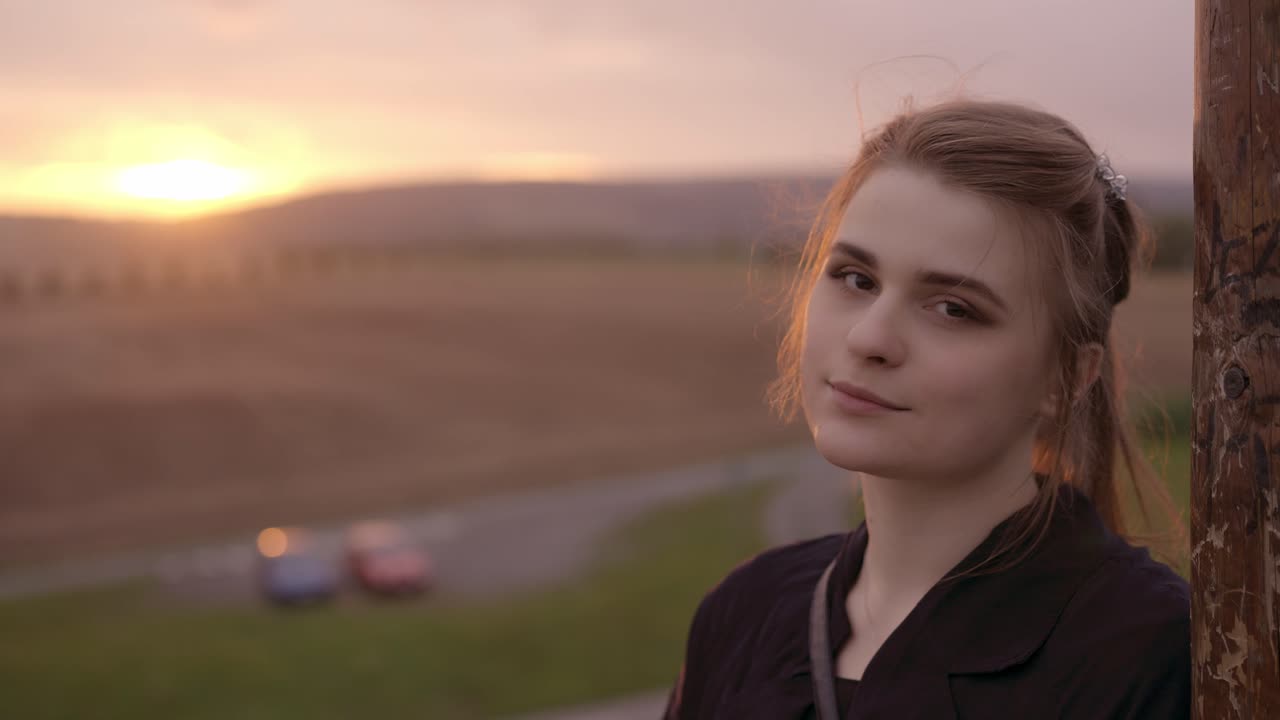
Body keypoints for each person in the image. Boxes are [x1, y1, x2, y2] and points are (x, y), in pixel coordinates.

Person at [662, 98, 1190, 719]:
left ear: (1066, 376)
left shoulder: (1151, 657)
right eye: (856, 278)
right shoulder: (743, 616)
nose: (870, 339)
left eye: (953, 309)